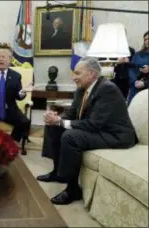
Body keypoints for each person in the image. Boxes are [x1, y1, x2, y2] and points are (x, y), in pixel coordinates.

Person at [37, 56, 136, 205]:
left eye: (77, 73)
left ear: (91, 74)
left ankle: (72, 189)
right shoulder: (82, 89)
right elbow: (71, 114)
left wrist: (61, 122)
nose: (73, 77)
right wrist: (55, 118)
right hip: (98, 129)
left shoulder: (107, 89)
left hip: (115, 135)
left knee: (70, 136)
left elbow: (94, 125)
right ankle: (57, 172)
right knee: (54, 126)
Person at [128, 31, 149, 103]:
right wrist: (134, 81)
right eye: (145, 39)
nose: (147, 41)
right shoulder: (138, 55)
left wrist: (145, 84)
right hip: (136, 88)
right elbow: (131, 69)